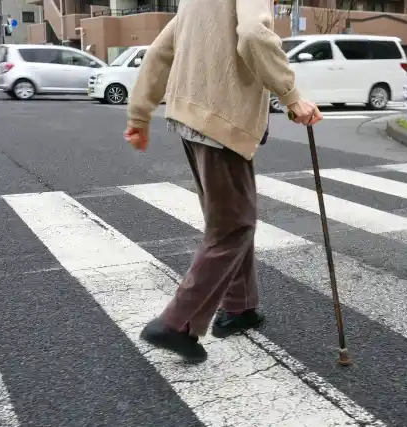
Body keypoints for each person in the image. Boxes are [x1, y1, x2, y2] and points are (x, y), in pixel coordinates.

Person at [124, 0, 323, 363]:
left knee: (231, 217)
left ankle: (240, 307)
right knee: (233, 227)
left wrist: (140, 114)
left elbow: (160, 51)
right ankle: (176, 324)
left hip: (191, 118)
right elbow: (252, 35)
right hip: (221, 121)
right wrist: (291, 97)